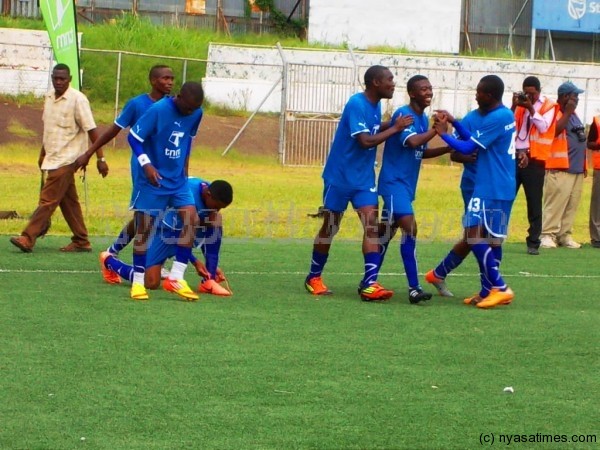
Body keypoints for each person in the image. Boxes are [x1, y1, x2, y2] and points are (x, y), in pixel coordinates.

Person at [304, 65, 413, 302]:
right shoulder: (356, 103)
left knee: (371, 225)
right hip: (340, 177)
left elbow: (372, 129)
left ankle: (369, 284)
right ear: (375, 82)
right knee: (331, 227)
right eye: (389, 80)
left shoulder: (375, 105)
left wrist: (394, 124)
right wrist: (395, 128)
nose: (393, 84)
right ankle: (313, 277)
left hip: (364, 179)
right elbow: (365, 141)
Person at [427, 74, 517, 309]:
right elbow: (474, 140)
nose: (476, 95)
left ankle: (500, 287)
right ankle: (488, 291)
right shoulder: (504, 115)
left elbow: (467, 147)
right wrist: (455, 123)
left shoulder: (496, 117)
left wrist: (443, 134)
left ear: (489, 95)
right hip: (500, 185)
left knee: (473, 234)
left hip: (490, 186)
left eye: (478, 92)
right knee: (491, 239)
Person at [74, 65, 174, 270]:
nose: (170, 82)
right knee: (147, 214)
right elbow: (113, 131)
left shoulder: (173, 105)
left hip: (166, 168)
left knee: (149, 215)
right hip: (144, 168)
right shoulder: (137, 104)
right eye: (165, 78)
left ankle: (113, 252)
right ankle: (148, 262)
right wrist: (90, 153)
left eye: (172, 78)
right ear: (153, 81)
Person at [10, 63, 107, 253]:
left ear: (69, 79)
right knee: (68, 201)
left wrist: (100, 159)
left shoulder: (78, 100)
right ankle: (81, 240)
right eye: (55, 78)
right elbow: (50, 129)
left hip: (69, 159)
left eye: (62, 78)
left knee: (48, 200)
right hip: (52, 156)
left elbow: (92, 130)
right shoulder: (48, 97)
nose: (59, 82)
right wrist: (42, 154)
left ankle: (28, 237)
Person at [377, 75, 451, 303]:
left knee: (384, 235)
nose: (429, 92)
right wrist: (437, 131)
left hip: (405, 187)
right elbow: (412, 142)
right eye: (423, 89)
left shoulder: (421, 119)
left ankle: (368, 280)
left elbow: (420, 151)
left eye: (430, 88)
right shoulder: (404, 114)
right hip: (393, 183)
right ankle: (414, 288)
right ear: (412, 93)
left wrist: (448, 148)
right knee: (411, 228)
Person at [127, 81, 205, 301]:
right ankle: (138, 283)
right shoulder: (159, 109)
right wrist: (146, 164)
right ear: (178, 96)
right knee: (145, 229)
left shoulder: (196, 113)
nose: (190, 111)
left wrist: (185, 169)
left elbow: (188, 140)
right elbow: (133, 137)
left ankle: (177, 278)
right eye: (188, 107)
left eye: (194, 108)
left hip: (177, 181)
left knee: (192, 218)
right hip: (153, 180)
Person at [99, 177, 233, 297]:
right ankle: (108, 260)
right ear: (208, 195)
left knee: (215, 219)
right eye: (216, 206)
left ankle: (209, 280)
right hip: (164, 231)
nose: (217, 210)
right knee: (151, 282)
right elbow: (174, 236)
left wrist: (211, 265)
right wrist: (195, 261)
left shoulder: (209, 191)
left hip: (180, 230)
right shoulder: (187, 197)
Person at [511, 76, 558, 255]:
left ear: (539, 91)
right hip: (514, 155)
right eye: (526, 93)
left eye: (532, 94)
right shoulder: (519, 105)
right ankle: (496, 237)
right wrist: (515, 105)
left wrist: (530, 107)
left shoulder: (548, 106)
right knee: (506, 196)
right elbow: (508, 122)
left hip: (534, 158)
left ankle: (533, 241)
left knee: (534, 201)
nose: (528, 96)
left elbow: (543, 127)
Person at [540, 81, 587, 249]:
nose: (577, 99)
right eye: (575, 96)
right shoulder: (555, 111)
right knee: (555, 203)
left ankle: (564, 234)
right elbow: (554, 131)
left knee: (571, 204)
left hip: (576, 168)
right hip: (559, 167)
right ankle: (547, 234)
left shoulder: (574, 114)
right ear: (565, 97)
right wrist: (567, 111)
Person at [588, 115, 600, 248]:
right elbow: (589, 143)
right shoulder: (597, 121)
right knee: (597, 203)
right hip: (599, 168)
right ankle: (596, 237)